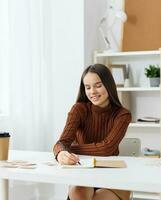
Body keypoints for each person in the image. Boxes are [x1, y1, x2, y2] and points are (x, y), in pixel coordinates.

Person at [53, 64, 132, 200]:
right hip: (83, 172)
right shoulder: (79, 110)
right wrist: (60, 153)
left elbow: (106, 148)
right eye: (88, 87)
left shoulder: (122, 115)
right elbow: (61, 143)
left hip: (112, 176)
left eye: (98, 85)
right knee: (79, 192)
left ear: (108, 85)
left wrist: (71, 149)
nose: (92, 92)